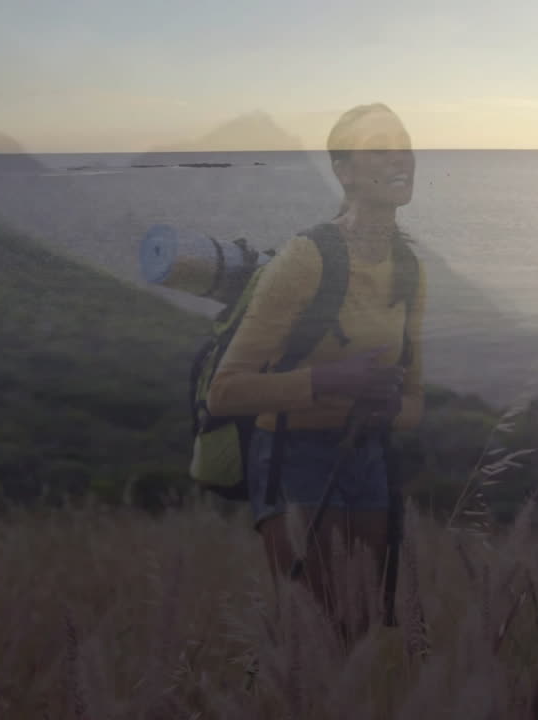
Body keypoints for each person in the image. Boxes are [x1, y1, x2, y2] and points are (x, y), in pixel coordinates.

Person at [206, 104, 426, 638]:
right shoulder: (306, 259)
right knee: (316, 632)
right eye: (379, 148)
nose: (400, 158)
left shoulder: (410, 268)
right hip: (291, 455)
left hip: (367, 455)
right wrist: (328, 383)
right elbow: (224, 392)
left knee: (363, 631)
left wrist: (390, 407)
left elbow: (415, 401)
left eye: (404, 146)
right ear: (343, 171)